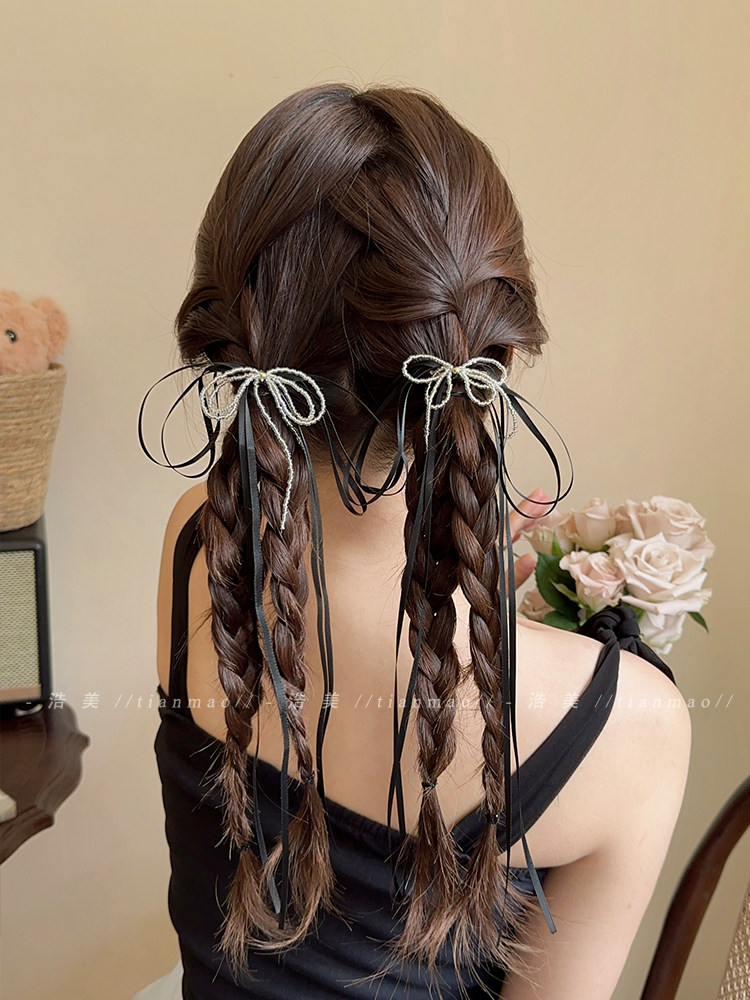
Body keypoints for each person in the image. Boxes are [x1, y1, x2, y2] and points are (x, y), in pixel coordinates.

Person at [134, 83, 691, 1000]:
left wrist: (468, 594)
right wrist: (526, 640)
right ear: (494, 359)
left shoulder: (198, 541)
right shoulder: (630, 728)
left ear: (229, 344)